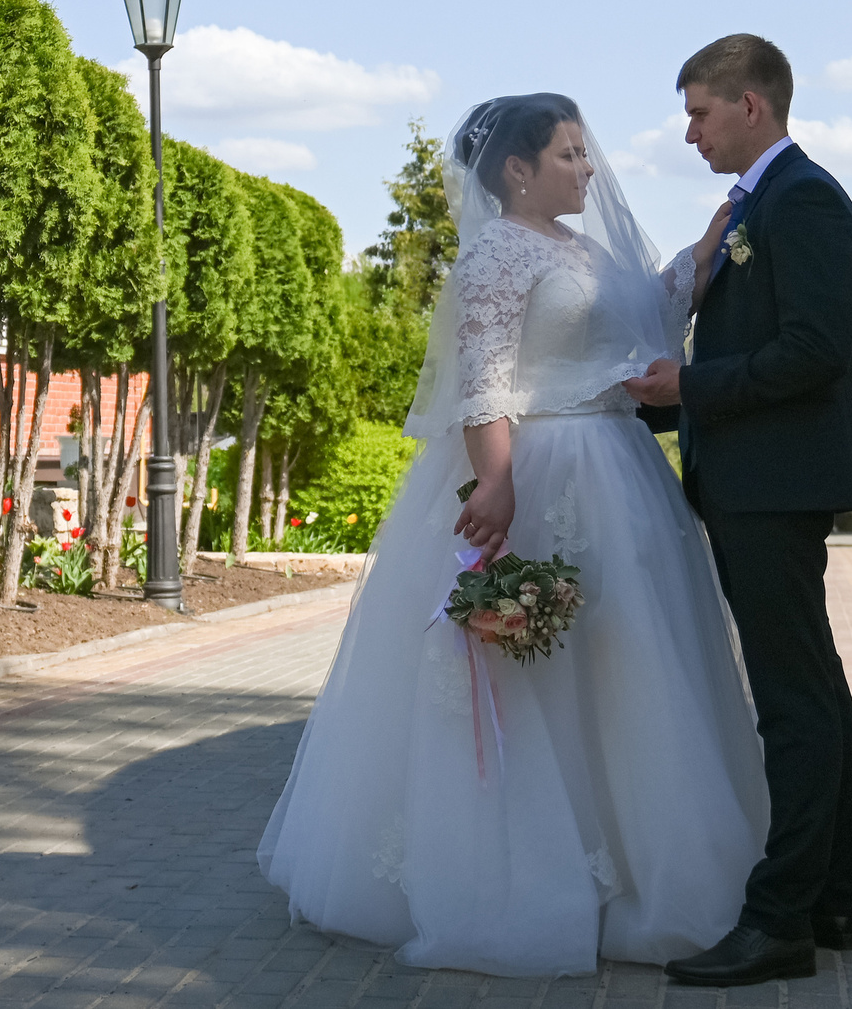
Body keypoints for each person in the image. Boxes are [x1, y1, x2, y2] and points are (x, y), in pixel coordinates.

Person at [257, 93, 769, 976]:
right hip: (544, 470)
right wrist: (495, 482)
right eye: (569, 154)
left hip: (620, 473)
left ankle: (639, 869)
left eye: (584, 150)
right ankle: (529, 878)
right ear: (517, 171)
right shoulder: (497, 250)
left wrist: (713, 239)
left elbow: (649, 308)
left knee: (624, 664)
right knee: (542, 664)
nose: (588, 167)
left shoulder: (582, 248)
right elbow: (484, 377)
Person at [624, 34, 852, 988]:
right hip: (757, 482)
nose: (689, 133)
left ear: (751, 107)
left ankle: (779, 923)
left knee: (792, 704)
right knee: (813, 690)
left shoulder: (802, 201)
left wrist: (686, 387)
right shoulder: (758, 204)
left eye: (699, 112)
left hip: (773, 487)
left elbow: (813, 353)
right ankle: (830, 901)